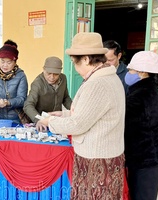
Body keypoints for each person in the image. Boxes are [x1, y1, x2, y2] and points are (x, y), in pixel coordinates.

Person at [36, 32, 125, 199]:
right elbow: (93, 113)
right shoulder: (108, 78)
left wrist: (50, 121)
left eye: (75, 63)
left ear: (85, 59)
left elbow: (78, 124)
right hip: (105, 155)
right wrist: (63, 114)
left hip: (97, 158)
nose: (76, 69)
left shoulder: (97, 83)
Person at [124, 51, 158, 200]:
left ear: (142, 72)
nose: (128, 73)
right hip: (147, 156)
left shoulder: (142, 93)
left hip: (147, 159)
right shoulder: (146, 89)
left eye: (131, 70)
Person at [23, 56, 72, 126]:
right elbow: (28, 105)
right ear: (44, 70)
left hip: (56, 120)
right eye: (49, 73)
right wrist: (39, 120)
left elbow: (65, 98)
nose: (52, 77)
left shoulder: (63, 78)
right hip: (41, 122)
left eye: (56, 74)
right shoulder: (37, 84)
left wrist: (74, 110)